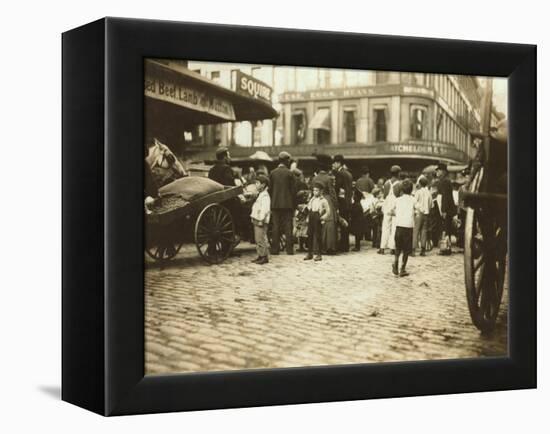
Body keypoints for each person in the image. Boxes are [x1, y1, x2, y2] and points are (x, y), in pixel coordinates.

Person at [269, 151, 296, 255]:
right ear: (286, 161)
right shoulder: (290, 173)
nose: (289, 162)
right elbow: (293, 191)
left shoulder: (272, 173)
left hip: (275, 204)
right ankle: (289, 250)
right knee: (288, 227)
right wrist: (294, 204)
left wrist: (273, 201)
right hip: (287, 205)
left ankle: (275, 250)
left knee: (275, 227)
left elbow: (270, 190)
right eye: (288, 160)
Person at [312, 154, 338, 254]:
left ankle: (317, 247)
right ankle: (329, 247)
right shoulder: (329, 178)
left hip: (316, 200)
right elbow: (332, 193)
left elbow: (312, 191)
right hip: (327, 200)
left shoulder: (314, 178)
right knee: (329, 224)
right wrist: (336, 206)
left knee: (317, 223)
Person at [391, 179, 415, 277]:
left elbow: (391, 211)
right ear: (411, 190)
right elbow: (419, 208)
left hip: (399, 226)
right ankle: (403, 269)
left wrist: (396, 213)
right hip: (408, 227)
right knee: (406, 249)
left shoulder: (398, 200)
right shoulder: (413, 200)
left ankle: (395, 262)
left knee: (398, 247)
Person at [304, 182, 330, 262]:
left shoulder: (324, 201)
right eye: (314, 190)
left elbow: (328, 212)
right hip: (311, 217)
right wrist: (307, 215)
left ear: (321, 191)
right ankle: (310, 253)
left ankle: (319, 254)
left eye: (317, 191)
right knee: (310, 235)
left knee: (318, 236)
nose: (315, 192)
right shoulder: (312, 199)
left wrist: (322, 218)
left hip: (317, 218)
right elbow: (309, 208)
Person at [378, 165, 401, 254]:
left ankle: (382, 248)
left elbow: (384, 196)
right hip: (395, 205)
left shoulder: (386, 183)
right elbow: (399, 196)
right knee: (394, 227)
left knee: (385, 227)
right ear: (398, 173)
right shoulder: (399, 184)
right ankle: (392, 248)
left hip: (387, 205)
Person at [333, 154, 353, 252]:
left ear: (338, 163)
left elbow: (337, 188)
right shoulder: (348, 173)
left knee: (342, 224)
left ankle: (343, 246)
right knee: (346, 223)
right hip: (348, 201)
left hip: (342, 202)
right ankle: (346, 245)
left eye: (335, 163)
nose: (334, 164)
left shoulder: (339, 173)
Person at [250, 175, 271, 265]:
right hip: (257, 219)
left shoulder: (265, 196)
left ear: (263, 185)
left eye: (257, 183)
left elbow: (265, 210)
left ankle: (264, 257)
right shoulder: (261, 195)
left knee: (261, 238)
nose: (256, 185)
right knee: (257, 239)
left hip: (260, 220)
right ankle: (260, 255)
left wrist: (261, 219)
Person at [435, 162, 456, 255]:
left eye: (438, 170)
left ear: (443, 171)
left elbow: (445, 197)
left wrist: (443, 210)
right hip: (446, 207)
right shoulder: (445, 181)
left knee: (446, 228)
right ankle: (447, 247)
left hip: (446, 208)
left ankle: (446, 248)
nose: (437, 172)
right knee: (446, 228)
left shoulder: (444, 181)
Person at [413, 176, 432, 256]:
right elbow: (431, 204)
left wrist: (417, 209)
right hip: (426, 214)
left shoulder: (418, 192)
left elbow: (414, 202)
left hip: (419, 213)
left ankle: (413, 249)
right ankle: (423, 250)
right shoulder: (428, 192)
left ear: (420, 184)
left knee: (416, 231)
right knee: (424, 231)